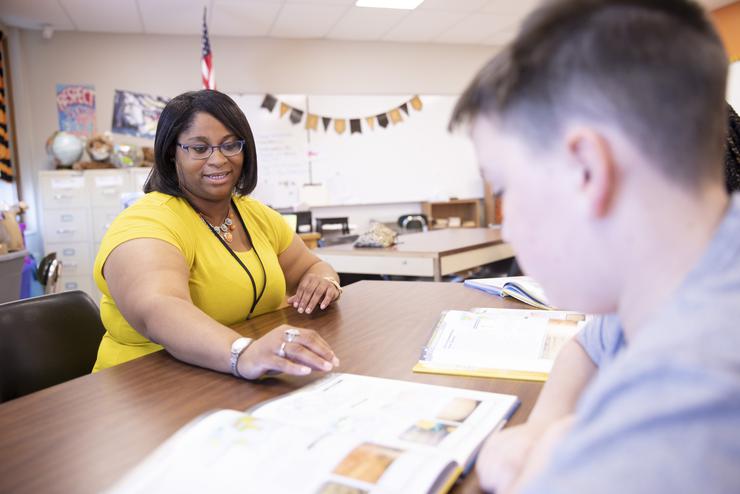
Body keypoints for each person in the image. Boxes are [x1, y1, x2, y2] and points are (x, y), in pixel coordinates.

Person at [450, 0, 740, 492]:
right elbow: (590, 343)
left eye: (504, 190)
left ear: (586, 169)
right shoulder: (684, 266)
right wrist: (545, 428)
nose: (505, 229)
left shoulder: (691, 396)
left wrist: (556, 447)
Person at [93, 90, 341, 380]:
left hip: (226, 377)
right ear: (172, 152)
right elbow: (158, 308)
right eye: (199, 149)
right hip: (146, 387)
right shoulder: (146, 221)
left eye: (230, 145)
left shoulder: (254, 214)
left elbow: (312, 266)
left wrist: (324, 281)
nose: (219, 159)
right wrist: (243, 353)